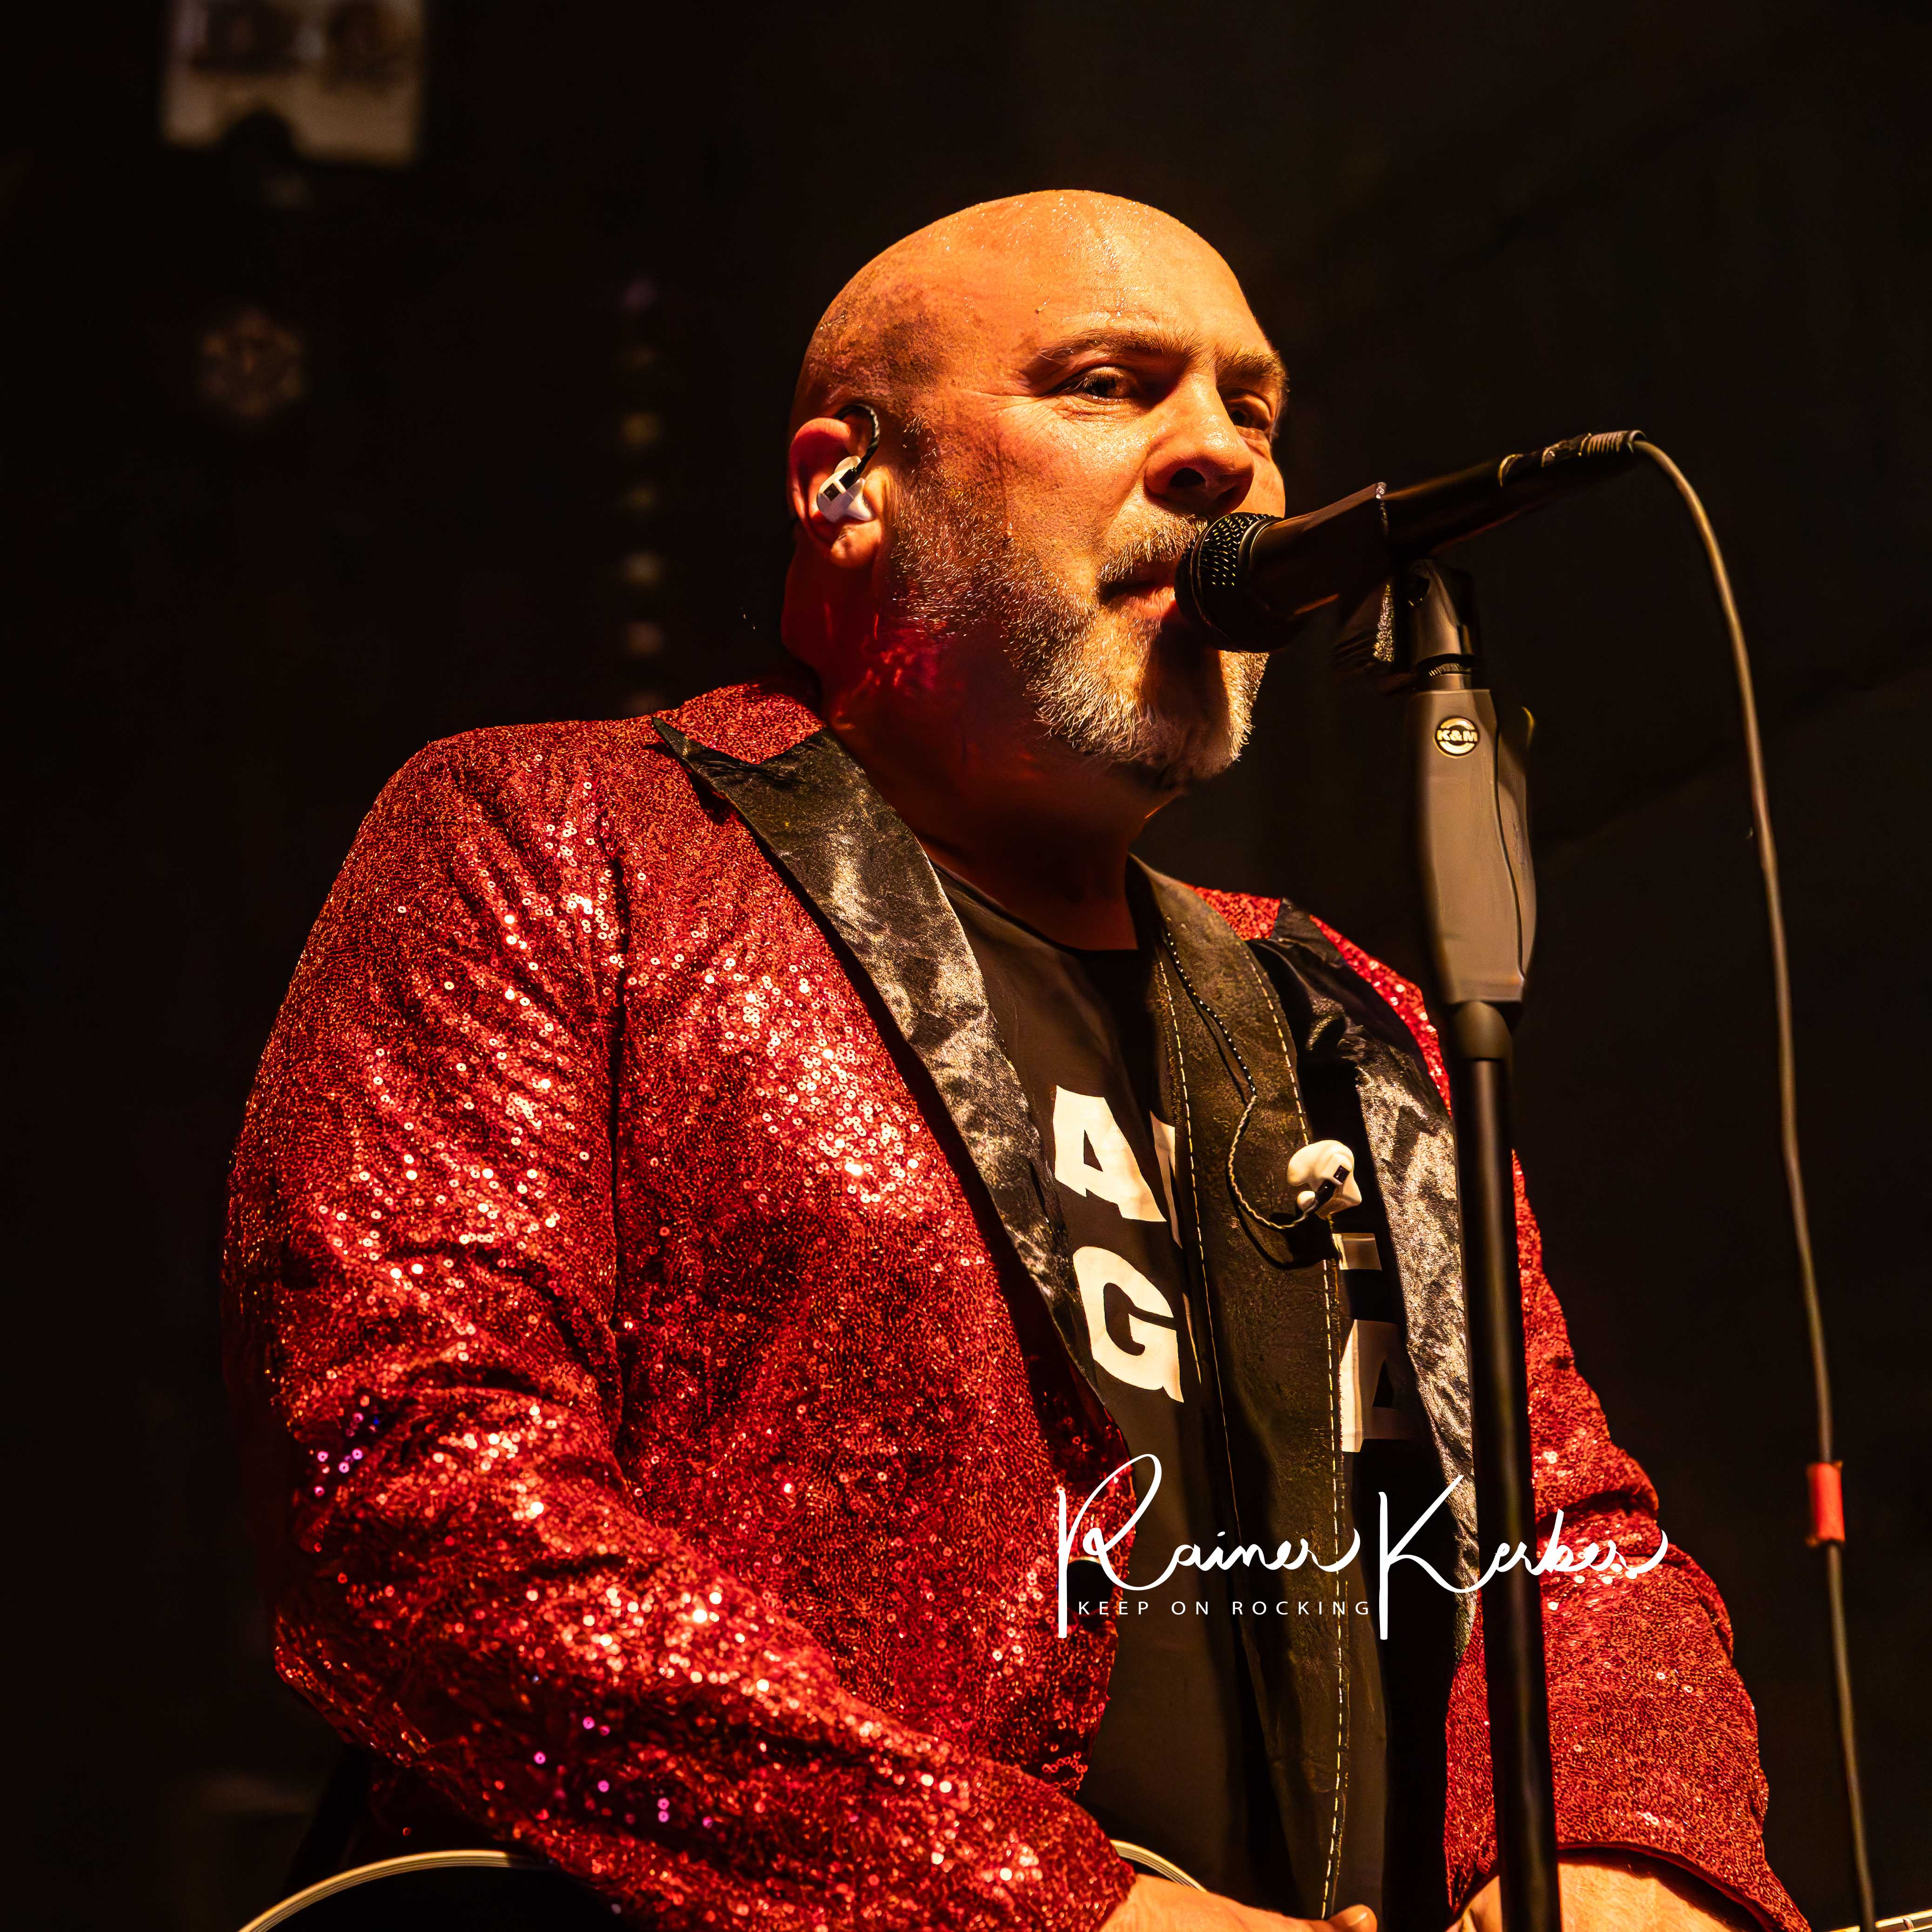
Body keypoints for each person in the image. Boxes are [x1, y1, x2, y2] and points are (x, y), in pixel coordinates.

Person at [224, 191, 1802, 1932]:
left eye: (1253, 405)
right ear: (846, 484)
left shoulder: (1341, 1015)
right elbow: (416, 1480)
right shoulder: (567, 838)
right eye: (1110, 384)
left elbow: (1563, 1527)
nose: (1223, 455)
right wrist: (1043, 1907)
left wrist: (1626, 1856)